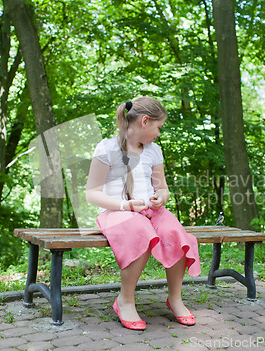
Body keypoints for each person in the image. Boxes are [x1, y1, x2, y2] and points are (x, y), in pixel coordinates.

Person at [86, 96, 201, 330]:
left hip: (150, 211)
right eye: (158, 127)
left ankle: (175, 298)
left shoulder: (153, 151)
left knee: (173, 231)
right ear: (145, 121)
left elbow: (162, 187)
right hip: (116, 212)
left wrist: (162, 197)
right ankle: (125, 300)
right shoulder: (107, 148)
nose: (159, 133)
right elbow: (92, 193)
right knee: (140, 230)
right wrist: (125, 206)